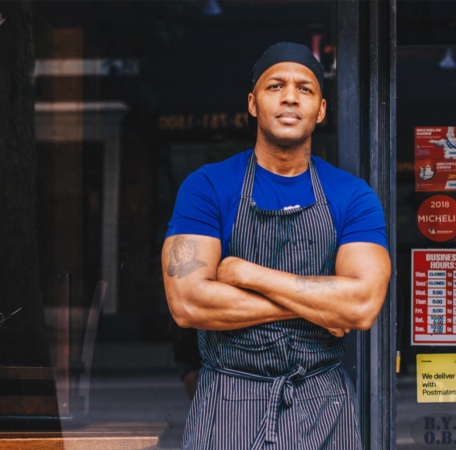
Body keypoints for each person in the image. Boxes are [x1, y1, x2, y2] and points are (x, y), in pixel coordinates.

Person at [162, 42, 391, 449]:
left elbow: (360, 305)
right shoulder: (208, 186)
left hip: (323, 405)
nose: (290, 96)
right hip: (228, 401)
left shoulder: (352, 195)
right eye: (275, 86)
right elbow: (188, 303)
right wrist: (322, 307)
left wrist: (246, 274)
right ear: (253, 103)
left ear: (320, 110)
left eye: (305, 88)